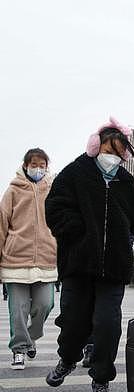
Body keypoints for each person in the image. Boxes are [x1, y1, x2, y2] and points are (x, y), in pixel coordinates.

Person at [44, 117, 134, 392]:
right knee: (73, 323)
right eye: (107, 149)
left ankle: (101, 376)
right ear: (96, 146)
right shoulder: (75, 173)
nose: (111, 156)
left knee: (108, 325)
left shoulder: (126, 184)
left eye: (117, 152)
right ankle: (67, 359)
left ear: (124, 154)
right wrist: (79, 233)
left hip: (113, 270)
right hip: (78, 267)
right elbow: (54, 208)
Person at [0, 148, 57, 370]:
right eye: (34, 164)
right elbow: (2, 223)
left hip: (45, 259)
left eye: (42, 165)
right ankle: (19, 350)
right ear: (26, 165)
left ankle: (31, 337)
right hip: (15, 260)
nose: (38, 169)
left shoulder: (52, 190)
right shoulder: (13, 191)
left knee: (45, 304)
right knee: (19, 309)